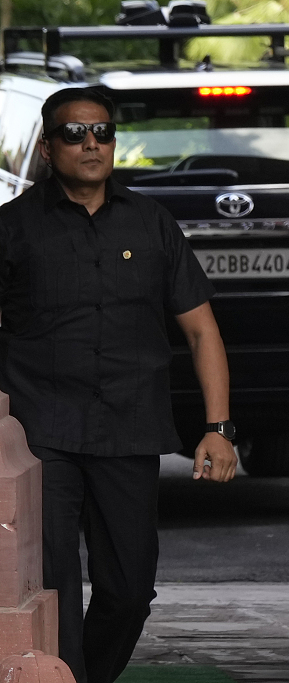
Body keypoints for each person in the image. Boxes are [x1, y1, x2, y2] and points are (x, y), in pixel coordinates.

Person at [0, 88, 237, 683]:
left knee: (129, 590)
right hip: (39, 435)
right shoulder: (12, 227)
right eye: (76, 134)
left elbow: (202, 332)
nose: (92, 144)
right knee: (51, 588)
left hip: (129, 430)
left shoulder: (151, 223)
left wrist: (217, 429)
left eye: (102, 132)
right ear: (49, 149)